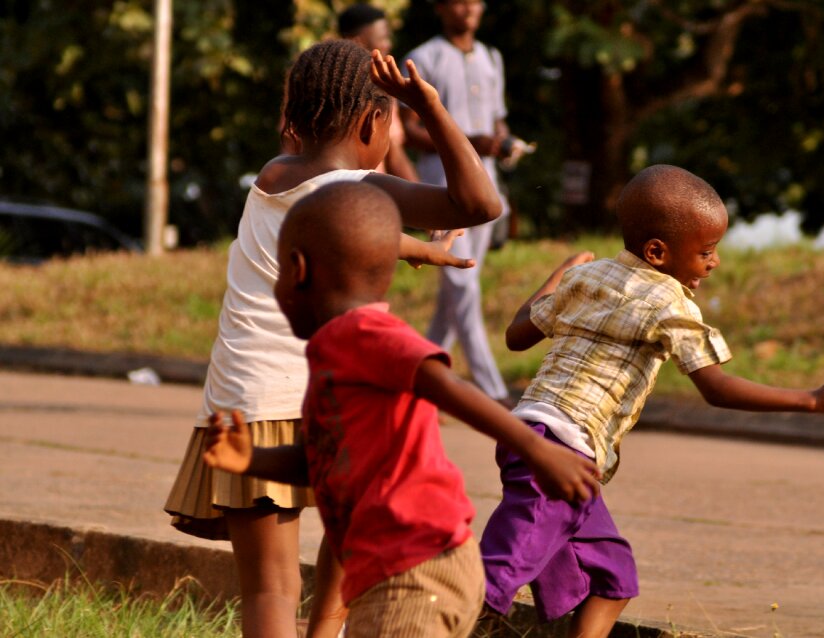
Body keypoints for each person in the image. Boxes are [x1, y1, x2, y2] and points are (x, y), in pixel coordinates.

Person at [164, 40, 504, 638]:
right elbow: (479, 202)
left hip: (249, 393)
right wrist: (429, 105)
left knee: (269, 589)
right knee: (353, 538)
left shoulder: (277, 174)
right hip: (330, 390)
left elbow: (331, 226)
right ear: (376, 120)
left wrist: (415, 247)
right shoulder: (356, 186)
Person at [479, 164, 824, 637]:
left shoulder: (588, 277)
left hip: (535, 437)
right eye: (707, 251)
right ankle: (418, 618)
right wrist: (812, 399)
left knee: (613, 579)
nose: (714, 262)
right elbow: (716, 388)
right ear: (658, 252)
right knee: (492, 580)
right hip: (561, 450)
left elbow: (517, 335)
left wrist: (561, 274)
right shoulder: (671, 304)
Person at [202, 180, 601, 638]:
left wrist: (535, 448)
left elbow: (442, 382)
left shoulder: (362, 333)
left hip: (414, 572)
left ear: (297, 269)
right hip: (398, 574)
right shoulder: (336, 351)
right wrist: (251, 459)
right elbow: (324, 461)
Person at [402, 0, 527, 408]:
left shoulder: (492, 57)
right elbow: (410, 130)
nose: (468, 8)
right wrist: (473, 142)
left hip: (487, 189)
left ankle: (413, 382)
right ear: (439, 7)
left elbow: (497, 121)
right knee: (463, 285)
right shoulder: (423, 57)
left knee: (454, 298)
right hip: (443, 187)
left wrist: (504, 144)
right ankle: (493, 393)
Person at [338, 3, 418, 181]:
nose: (387, 45)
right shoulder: (317, 85)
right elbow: (292, 145)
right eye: (382, 39)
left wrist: (419, 195)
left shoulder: (384, 87)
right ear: (355, 42)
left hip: (373, 194)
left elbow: (394, 151)